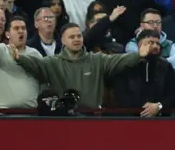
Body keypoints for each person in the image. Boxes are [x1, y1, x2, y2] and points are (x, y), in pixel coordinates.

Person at [11, 23, 153, 108]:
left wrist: (138, 55)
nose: (77, 39)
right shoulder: (52, 62)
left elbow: (119, 60)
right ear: (63, 41)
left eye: (79, 36)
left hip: (92, 121)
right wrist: (19, 58)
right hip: (64, 123)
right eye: (72, 37)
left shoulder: (97, 60)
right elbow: (35, 64)